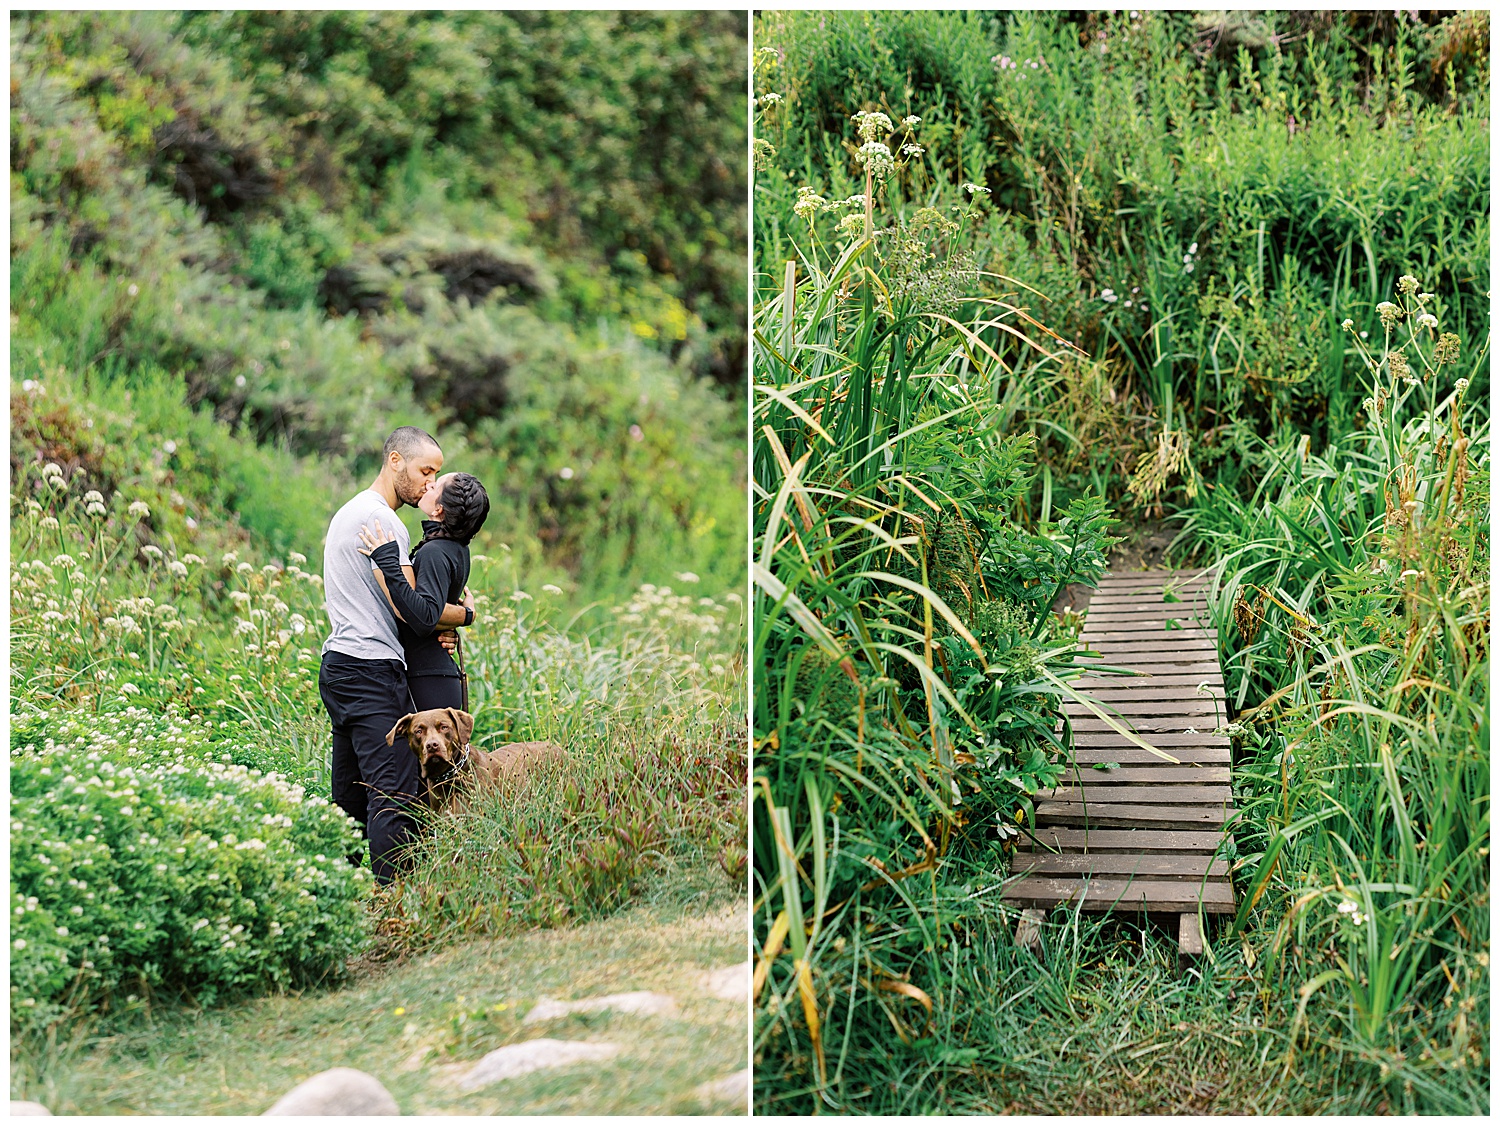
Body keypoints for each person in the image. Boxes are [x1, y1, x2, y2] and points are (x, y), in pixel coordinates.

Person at [317, 426, 471, 884]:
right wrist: (463, 615)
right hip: (370, 669)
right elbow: (411, 611)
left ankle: (332, 901)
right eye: (426, 471)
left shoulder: (350, 510)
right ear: (396, 461)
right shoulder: (384, 522)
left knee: (349, 800)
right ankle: (397, 909)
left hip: (340, 666)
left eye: (437, 474)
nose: (430, 483)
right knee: (394, 793)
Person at [358, 471, 490, 710]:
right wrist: (464, 616)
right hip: (434, 675)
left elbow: (425, 616)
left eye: (435, 486)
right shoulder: (456, 548)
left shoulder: (435, 552)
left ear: (439, 509)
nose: (428, 484)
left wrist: (388, 563)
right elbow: (435, 609)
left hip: (428, 679)